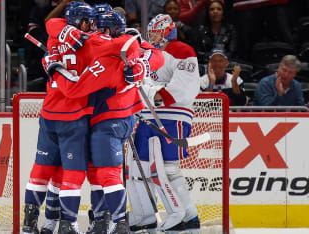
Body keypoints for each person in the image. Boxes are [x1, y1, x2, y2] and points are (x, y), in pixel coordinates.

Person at [45, 10, 164, 233]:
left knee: (105, 172)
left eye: (96, 25)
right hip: (109, 117)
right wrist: (143, 64)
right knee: (97, 171)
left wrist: (54, 67)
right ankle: (101, 220)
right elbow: (53, 23)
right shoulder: (127, 40)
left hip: (109, 118)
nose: (92, 28)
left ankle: (117, 222)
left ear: (106, 28)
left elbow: (74, 89)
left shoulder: (106, 46)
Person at [129, 14, 201, 233]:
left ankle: (188, 217)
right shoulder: (150, 54)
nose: (154, 37)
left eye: (158, 32)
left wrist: (154, 94)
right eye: (151, 33)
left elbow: (184, 86)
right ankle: (145, 216)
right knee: (138, 167)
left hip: (172, 115)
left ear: (169, 31)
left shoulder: (181, 49)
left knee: (167, 168)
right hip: (147, 115)